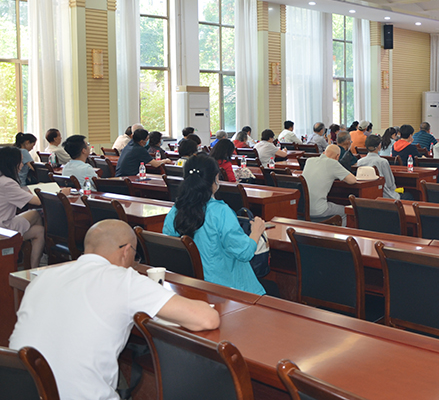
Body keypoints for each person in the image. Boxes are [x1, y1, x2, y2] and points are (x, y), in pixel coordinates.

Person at [9, 219, 220, 400]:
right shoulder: (123, 280)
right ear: (126, 251)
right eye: (135, 256)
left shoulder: (43, 278)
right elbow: (206, 319)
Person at [163, 154, 268, 294]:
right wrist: (256, 231)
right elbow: (244, 253)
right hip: (228, 291)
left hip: (189, 287)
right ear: (216, 178)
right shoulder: (221, 212)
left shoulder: (176, 210)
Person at [0, 147, 63, 268]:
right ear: (12, 163)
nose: (22, 165)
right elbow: (38, 201)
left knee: (39, 230)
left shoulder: (3, 180)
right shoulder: (8, 183)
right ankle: (36, 264)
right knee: (35, 214)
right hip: (4, 228)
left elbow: (17, 193)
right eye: (20, 162)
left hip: (3, 224)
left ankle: (34, 264)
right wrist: (60, 192)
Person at [303, 145, 357, 225]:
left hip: (303, 208)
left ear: (324, 153)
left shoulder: (309, 160)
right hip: (318, 210)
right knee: (347, 211)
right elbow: (352, 180)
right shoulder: (333, 163)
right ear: (337, 156)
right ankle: (340, 233)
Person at [358, 135, 403, 199]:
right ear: (379, 146)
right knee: (408, 196)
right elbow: (390, 184)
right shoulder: (383, 162)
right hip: (385, 196)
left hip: (366, 195)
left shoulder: (360, 162)